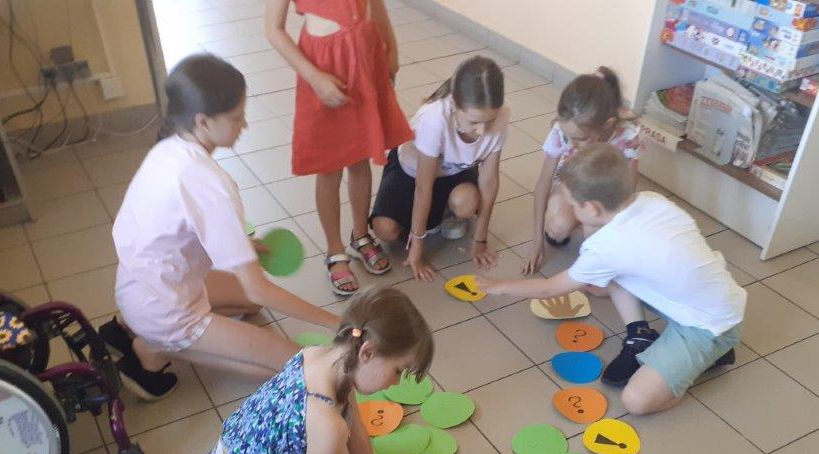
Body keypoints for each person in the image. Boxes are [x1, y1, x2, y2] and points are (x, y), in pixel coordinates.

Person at [102, 54, 340, 401]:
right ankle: (152, 349)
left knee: (249, 309)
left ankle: (130, 330)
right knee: (304, 371)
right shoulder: (212, 185)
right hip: (165, 310)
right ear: (203, 122)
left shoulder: (168, 147)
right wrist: (335, 322)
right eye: (236, 117)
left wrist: (239, 246)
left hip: (140, 286)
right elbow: (260, 291)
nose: (244, 124)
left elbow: (179, 228)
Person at [478, 144, 745, 415]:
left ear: (592, 208)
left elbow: (549, 289)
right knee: (609, 274)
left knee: (636, 401)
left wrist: (500, 285)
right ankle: (641, 335)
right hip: (715, 296)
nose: (571, 210)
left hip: (706, 325)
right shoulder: (652, 200)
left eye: (573, 205)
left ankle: (709, 354)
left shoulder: (607, 248)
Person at [200, 286, 430, 454]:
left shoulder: (317, 356)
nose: (396, 382)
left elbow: (356, 430)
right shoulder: (329, 425)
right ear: (367, 353)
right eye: (398, 371)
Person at [265, 0, 412, 296]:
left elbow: (375, 5)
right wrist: (315, 78)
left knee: (360, 157)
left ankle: (361, 235)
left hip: (365, 58)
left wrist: (391, 49)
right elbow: (273, 29)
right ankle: (335, 250)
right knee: (329, 167)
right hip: (324, 66)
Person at [370, 55, 508, 281]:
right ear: (454, 105)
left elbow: (490, 180)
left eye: (489, 121)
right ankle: (429, 220)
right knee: (385, 229)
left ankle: (444, 214)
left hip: (454, 171)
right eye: (474, 122)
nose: (483, 131)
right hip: (412, 172)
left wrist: (480, 239)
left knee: (467, 203)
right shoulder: (434, 117)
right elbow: (423, 186)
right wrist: (417, 245)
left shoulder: (501, 116)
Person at [523, 67, 644, 275]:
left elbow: (628, 190)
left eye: (580, 139)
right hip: (571, 182)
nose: (572, 144)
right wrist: (536, 242)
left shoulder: (629, 132)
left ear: (607, 125)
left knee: (597, 235)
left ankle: (590, 231)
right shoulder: (564, 129)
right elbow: (544, 181)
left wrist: (611, 226)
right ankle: (576, 221)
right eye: (568, 136)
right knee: (558, 228)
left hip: (607, 189)